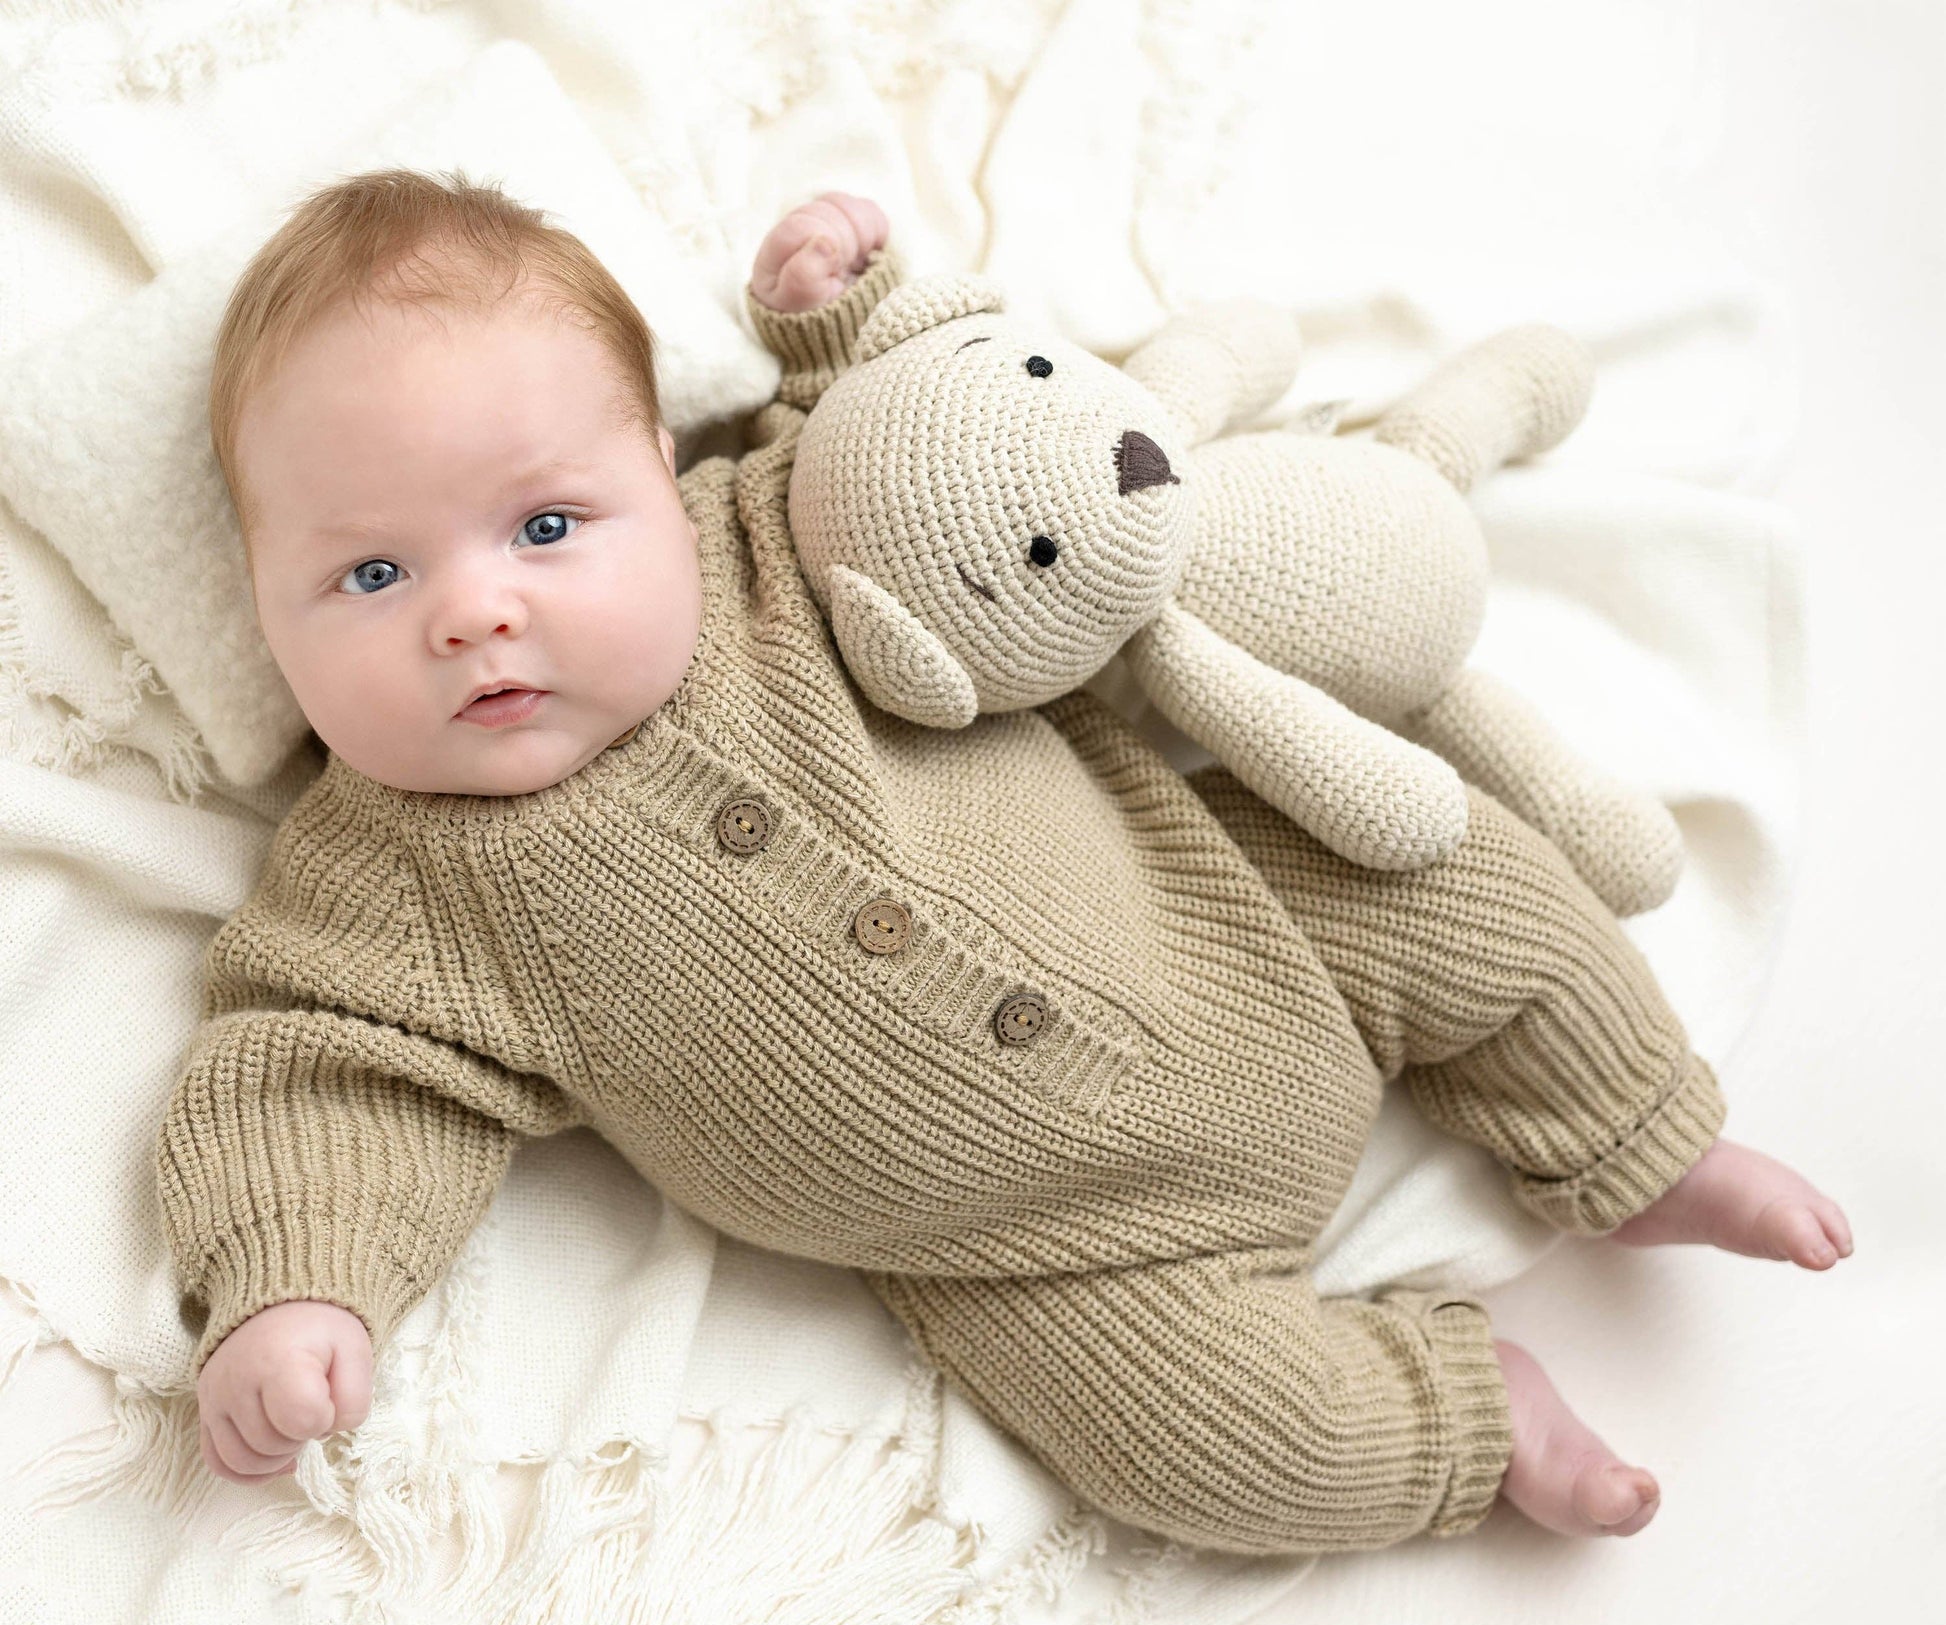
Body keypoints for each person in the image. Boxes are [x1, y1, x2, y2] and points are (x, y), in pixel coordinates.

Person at [159, 170, 1852, 1552]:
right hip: (1057, 1257)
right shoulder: (387, 883)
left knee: (1456, 884)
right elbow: (321, 1079)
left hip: (1223, 910)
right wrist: (297, 1289)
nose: (475, 609)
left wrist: (834, 314)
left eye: (545, 526)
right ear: (265, 617)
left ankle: (1637, 1139)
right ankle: (1477, 1423)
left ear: (666, 486)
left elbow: (925, 442)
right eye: (369, 578)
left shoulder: (775, 540)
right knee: (1223, 1457)